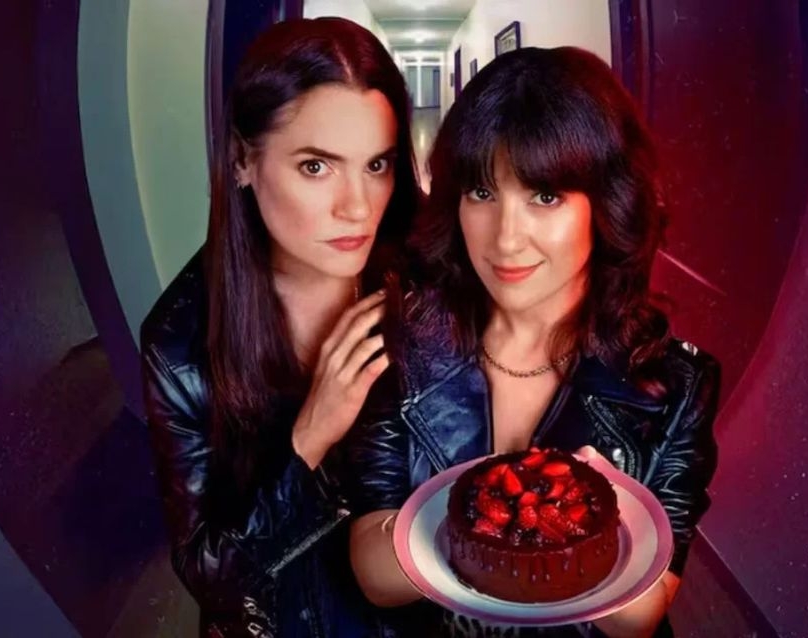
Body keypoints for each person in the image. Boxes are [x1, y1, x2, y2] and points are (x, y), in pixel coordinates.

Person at [345, 46, 720, 638]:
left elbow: (640, 617)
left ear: (606, 204)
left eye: (544, 196)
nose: (506, 239)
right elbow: (373, 574)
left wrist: (589, 514)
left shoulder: (674, 385)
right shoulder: (405, 348)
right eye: (482, 192)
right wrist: (480, 514)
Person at [140, 17, 420, 637]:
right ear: (242, 160)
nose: (357, 206)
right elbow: (211, 575)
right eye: (317, 167)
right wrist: (310, 438)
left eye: (377, 164)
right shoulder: (182, 341)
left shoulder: (423, 283)